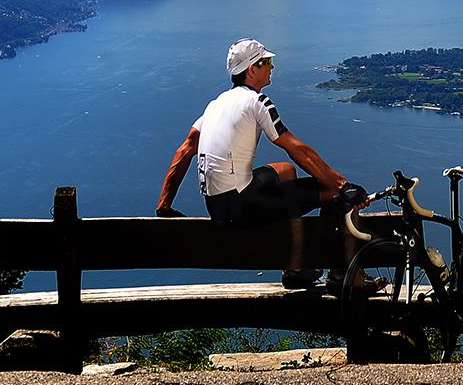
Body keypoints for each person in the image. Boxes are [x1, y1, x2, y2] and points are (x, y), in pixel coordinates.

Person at [156, 37, 367, 289]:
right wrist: (344, 185)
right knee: (333, 193)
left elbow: (184, 151)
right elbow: (296, 148)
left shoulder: (215, 105)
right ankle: (341, 274)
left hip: (218, 206)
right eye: (266, 62)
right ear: (251, 70)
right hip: (242, 207)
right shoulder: (258, 102)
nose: (272, 67)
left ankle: (294, 266)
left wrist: (164, 206)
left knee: (285, 171)